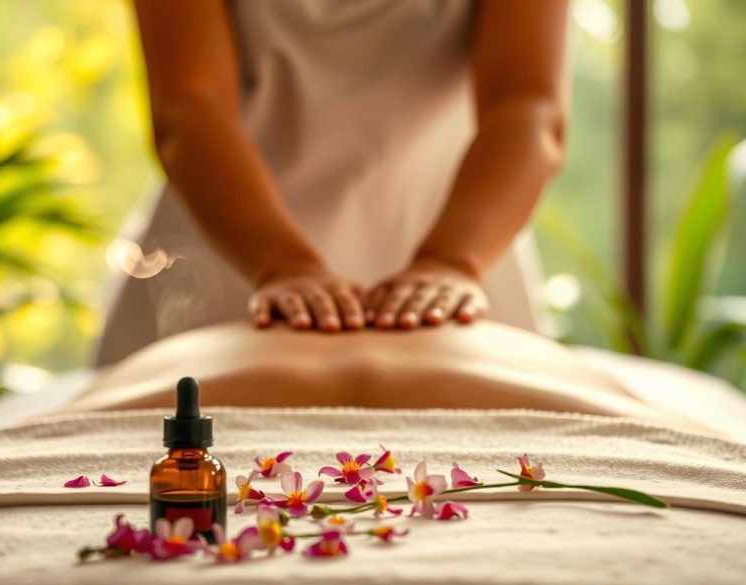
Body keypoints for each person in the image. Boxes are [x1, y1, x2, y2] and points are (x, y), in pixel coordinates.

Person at [94, 0, 568, 366]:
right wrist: (281, 265)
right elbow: (188, 108)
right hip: (225, 254)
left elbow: (528, 105)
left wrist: (451, 261)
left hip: (461, 250)